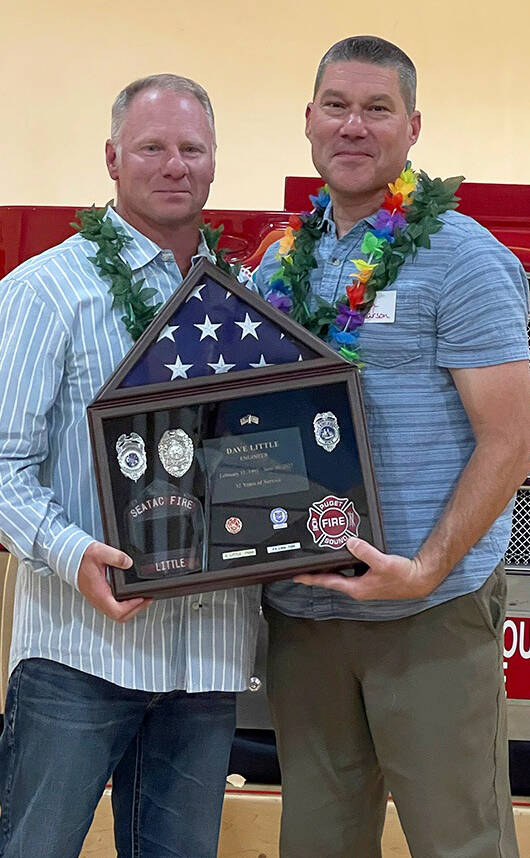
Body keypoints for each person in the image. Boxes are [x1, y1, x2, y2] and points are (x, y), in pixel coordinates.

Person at [255, 36, 530, 858]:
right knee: (318, 843)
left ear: (412, 128)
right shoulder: (278, 268)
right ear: (309, 119)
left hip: (427, 613)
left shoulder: (464, 258)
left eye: (378, 108)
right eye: (337, 105)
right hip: (305, 615)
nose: (353, 125)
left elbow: (513, 439)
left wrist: (427, 569)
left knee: (459, 843)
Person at [0, 74, 261, 858]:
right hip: (80, 653)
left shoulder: (246, 300)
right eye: (152, 147)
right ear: (113, 159)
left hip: (207, 659)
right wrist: (71, 552)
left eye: (192, 148)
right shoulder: (47, 291)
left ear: (214, 162)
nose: (174, 164)